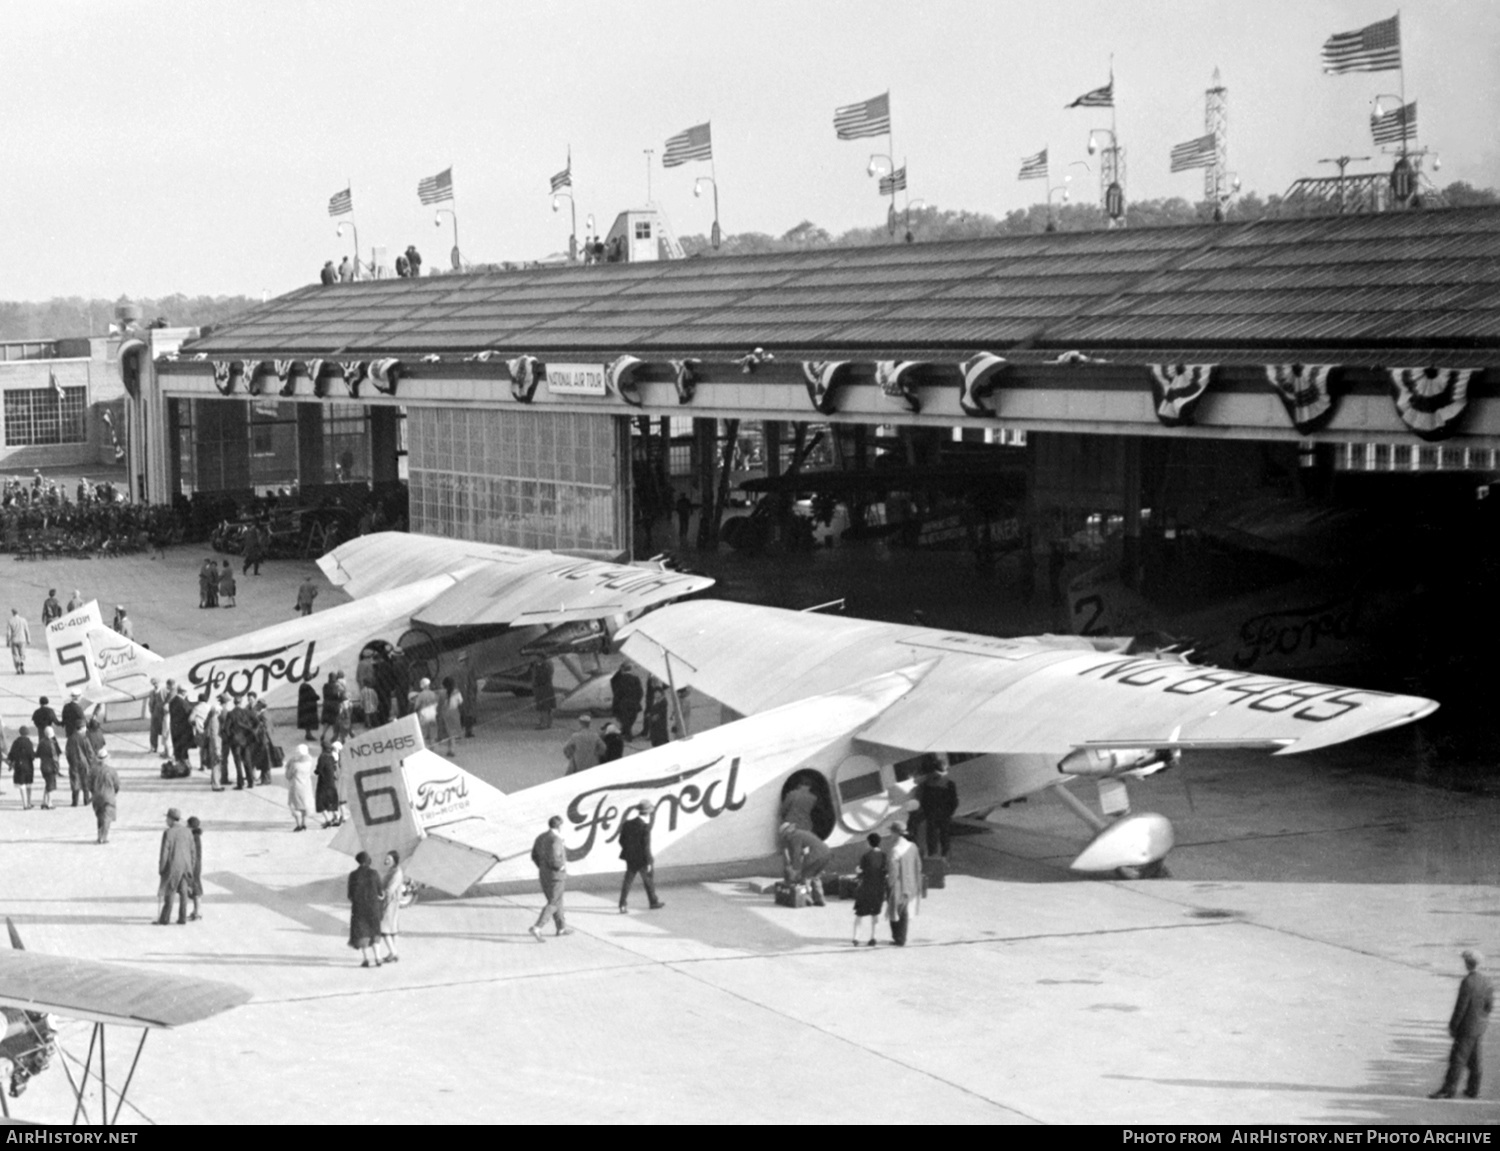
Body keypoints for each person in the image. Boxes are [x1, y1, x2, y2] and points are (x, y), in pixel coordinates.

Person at [1430, 950, 1494, 1099]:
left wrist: (1453, 1026)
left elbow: (1461, 1007)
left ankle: (1449, 1089)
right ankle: (1473, 1089)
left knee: (1457, 1059)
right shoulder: (1487, 981)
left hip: (1466, 1028)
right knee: (1475, 1059)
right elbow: (1489, 1007)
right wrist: (1481, 1020)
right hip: (1479, 1027)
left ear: (1467, 964)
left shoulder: (1467, 982)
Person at [529, 815, 571, 940]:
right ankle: (537, 927)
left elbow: (534, 855)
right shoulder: (556, 839)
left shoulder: (541, 837)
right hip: (556, 876)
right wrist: (560, 867)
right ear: (559, 826)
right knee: (553, 902)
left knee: (557, 901)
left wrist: (542, 867)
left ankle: (561, 928)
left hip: (544, 875)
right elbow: (555, 858)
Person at [617, 802, 665, 913]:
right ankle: (653, 902)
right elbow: (646, 847)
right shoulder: (645, 827)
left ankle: (622, 904)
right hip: (643, 859)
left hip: (630, 858)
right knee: (648, 880)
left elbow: (621, 840)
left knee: (627, 881)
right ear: (647, 813)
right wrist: (648, 862)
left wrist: (629, 851)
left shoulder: (627, 824)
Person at [885, 822, 923, 947]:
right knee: (905, 911)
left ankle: (899, 938)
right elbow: (918, 865)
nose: (890, 834)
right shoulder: (913, 846)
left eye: (891, 832)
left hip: (898, 885)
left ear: (895, 833)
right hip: (911, 883)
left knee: (895, 912)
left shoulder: (895, 850)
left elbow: (893, 871)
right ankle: (902, 937)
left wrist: (890, 885)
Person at [780, 821, 831, 907]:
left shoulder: (794, 837)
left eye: (785, 835)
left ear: (787, 832)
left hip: (815, 856)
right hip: (826, 853)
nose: (786, 838)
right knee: (815, 877)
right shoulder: (801, 833)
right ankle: (820, 899)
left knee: (804, 877)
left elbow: (796, 853)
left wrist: (795, 870)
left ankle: (807, 899)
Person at [157, 808, 194, 925]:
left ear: (171, 819)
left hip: (173, 865)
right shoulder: (188, 831)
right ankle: (182, 918)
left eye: (166, 818)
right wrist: (191, 867)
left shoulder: (168, 832)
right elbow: (193, 851)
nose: (166, 821)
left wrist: (162, 869)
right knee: (183, 891)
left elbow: (164, 853)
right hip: (186, 865)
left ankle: (164, 919)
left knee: (170, 891)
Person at [347, 851, 384, 967]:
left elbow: (350, 895)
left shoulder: (353, 875)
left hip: (359, 908)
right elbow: (380, 892)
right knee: (374, 932)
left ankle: (365, 959)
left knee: (362, 933)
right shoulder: (374, 873)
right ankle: (378, 958)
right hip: (373, 907)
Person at [918, 761, 960, 859]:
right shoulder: (950, 784)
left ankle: (933, 855)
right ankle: (945, 856)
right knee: (944, 836)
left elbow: (924, 801)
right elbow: (954, 801)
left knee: (932, 837)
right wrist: (949, 813)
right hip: (944, 814)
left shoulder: (927, 784)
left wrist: (927, 813)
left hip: (932, 814)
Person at [852, 832, 888, 946]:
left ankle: (856, 937)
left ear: (869, 842)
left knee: (859, 914)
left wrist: (857, 870)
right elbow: (885, 871)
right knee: (875, 914)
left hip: (866, 888)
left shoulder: (866, 856)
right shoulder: (884, 856)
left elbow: (861, 871)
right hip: (879, 888)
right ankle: (873, 937)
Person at [90, 749, 120, 844]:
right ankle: (103, 837)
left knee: (100, 816)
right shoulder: (111, 771)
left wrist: (94, 792)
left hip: (97, 797)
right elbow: (117, 785)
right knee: (107, 817)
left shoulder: (93, 771)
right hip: (108, 796)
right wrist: (114, 792)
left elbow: (89, 784)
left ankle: (99, 835)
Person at [379, 850, 404, 963]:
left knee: (384, 929)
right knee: (392, 929)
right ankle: (392, 953)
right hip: (393, 902)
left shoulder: (396, 872)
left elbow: (390, 890)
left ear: (394, 860)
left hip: (390, 902)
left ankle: (393, 953)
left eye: (389, 858)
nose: (386, 860)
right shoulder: (393, 870)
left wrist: (381, 896)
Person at [609, 662, 644, 740]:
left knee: (624, 719)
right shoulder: (636, 679)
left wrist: (619, 671)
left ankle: (628, 734)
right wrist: (637, 701)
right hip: (633, 703)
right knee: (631, 719)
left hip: (623, 703)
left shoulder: (620, 679)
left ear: (622, 670)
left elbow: (613, 682)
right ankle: (627, 733)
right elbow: (640, 692)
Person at [285, 743, 315, 831]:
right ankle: (304, 823)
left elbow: (288, 775)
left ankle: (299, 825)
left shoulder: (295, 764)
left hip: (296, 786)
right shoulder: (309, 762)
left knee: (296, 806)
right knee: (305, 805)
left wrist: (287, 767)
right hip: (307, 786)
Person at [65, 723, 95, 807]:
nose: (86, 729)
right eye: (85, 728)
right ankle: (86, 800)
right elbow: (90, 752)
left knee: (75, 780)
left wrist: (70, 761)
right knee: (85, 780)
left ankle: (75, 801)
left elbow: (67, 752)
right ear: (81, 728)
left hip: (73, 762)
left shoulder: (70, 738)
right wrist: (90, 763)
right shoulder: (84, 738)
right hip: (84, 762)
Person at [315, 739, 343, 828]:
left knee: (320, 801)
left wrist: (316, 771)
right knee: (330, 800)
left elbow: (319, 769)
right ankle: (337, 816)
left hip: (323, 782)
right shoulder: (331, 756)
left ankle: (328, 820)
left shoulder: (322, 756)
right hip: (331, 781)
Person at [8, 724, 35, 809]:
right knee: (29, 784)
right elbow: (32, 756)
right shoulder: (29, 742)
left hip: (19, 766)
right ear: (27, 733)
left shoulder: (16, 742)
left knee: (21, 785)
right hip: (28, 766)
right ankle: (29, 802)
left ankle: (24, 804)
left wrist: (11, 763)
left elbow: (11, 755)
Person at [169, 685, 195, 768]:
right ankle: (185, 765)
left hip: (175, 728)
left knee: (177, 747)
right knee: (183, 747)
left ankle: (179, 764)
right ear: (183, 692)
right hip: (183, 729)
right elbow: (188, 712)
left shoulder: (173, 701)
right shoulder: (183, 703)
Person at [35, 726, 60, 810]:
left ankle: (44, 802)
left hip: (43, 766)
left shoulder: (41, 742)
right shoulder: (51, 743)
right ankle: (49, 803)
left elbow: (37, 754)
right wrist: (57, 767)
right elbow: (54, 757)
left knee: (47, 783)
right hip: (50, 766)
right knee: (50, 785)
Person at [410, 678, 439, 746]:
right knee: (433, 731)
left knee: (423, 732)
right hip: (432, 714)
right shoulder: (433, 694)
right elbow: (437, 703)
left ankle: (424, 747)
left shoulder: (421, 695)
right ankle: (433, 748)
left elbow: (416, 706)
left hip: (423, 714)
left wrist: (414, 710)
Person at [457, 650, 479, 738]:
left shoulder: (460, 669)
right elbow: (472, 682)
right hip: (466, 695)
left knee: (465, 714)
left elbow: (472, 682)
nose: (464, 662)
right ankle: (466, 732)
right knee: (466, 714)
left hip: (465, 694)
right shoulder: (467, 669)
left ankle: (465, 732)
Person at [186, 816, 204, 921]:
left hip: (194, 864)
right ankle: (196, 910)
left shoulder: (194, 837)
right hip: (196, 864)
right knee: (194, 885)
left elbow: (194, 853)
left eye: (187, 825)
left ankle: (198, 911)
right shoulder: (195, 836)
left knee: (195, 885)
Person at [644, 678, 671, 748]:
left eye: (657, 695)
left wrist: (650, 717)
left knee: (660, 744)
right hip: (656, 730)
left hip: (659, 730)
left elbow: (656, 716)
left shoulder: (663, 703)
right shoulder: (658, 702)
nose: (655, 696)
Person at [438, 675, 461, 755]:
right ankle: (452, 749)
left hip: (445, 713)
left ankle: (449, 748)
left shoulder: (442, 692)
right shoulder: (456, 691)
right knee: (453, 732)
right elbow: (460, 701)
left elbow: (439, 704)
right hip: (454, 713)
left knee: (448, 732)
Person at [531, 657, 556, 730]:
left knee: (544, 706)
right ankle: (547, 722)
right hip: (544, 687)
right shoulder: (545, 664)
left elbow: (543, 676)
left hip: (543, 687)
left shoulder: (544, 665)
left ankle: (544, 723)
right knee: (545, 706)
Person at [147, 678, 169, 755]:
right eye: (153, 684)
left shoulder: (164, 691)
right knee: (153, 730)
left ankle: (166, 749)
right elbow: (150, 703)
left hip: (163, 714)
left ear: (159, 682)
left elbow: (168, 701)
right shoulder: (151, 692)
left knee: (165, 731)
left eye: (156, 683)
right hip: (154, 714)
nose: (155, 685)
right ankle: (153, 747)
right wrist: (151, 711)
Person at [7, 608, 30, 674]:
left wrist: (8, 642)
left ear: (12, 613)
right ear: (18, 612)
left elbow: (9, 633)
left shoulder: (10, 620)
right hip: (22, 639)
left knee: (15, 655)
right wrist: (28, 639)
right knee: (22, 653)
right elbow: (26, 630)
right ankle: (22, 662)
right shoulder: (23, 620)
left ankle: (18, 669)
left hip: (14, 640)